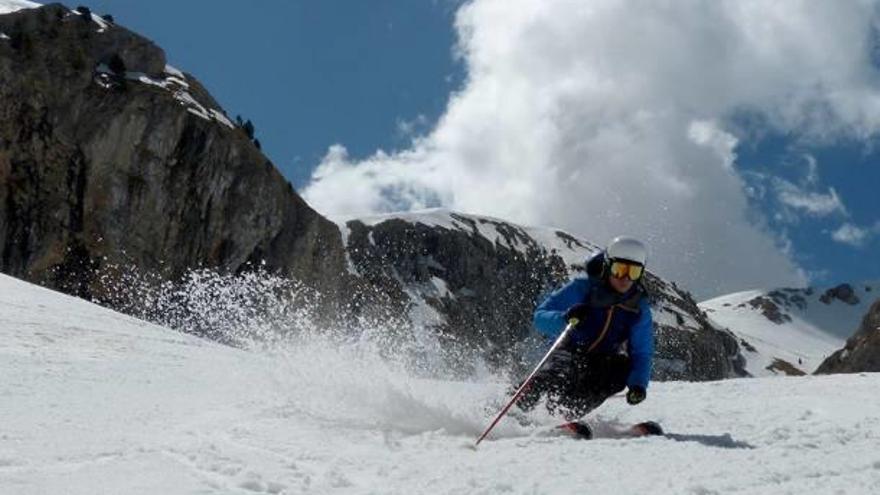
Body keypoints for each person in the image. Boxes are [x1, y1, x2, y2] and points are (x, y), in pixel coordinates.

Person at [516, 236, 654, 421]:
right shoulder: (583, 288)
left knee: (620, 370)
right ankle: (513, 408)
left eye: (633, 272)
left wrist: (638, 384)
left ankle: (564, 415)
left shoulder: (638, 306)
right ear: (607, 266)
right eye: (619, 270)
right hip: (569, 349)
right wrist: (565, 317)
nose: (625, 278)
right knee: (558, 375)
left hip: (602, 359)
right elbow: (540, 317)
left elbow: (641, 352)